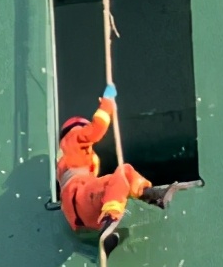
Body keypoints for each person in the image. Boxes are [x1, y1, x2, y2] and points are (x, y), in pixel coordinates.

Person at [56, 83, 182, 251]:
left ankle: (108, 234)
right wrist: (107, 103)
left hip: (79, 218)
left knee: (113, 189)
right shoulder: (72, 138)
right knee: (123, 173)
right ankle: (147, 198)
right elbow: (96, 129)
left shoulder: (64, 163)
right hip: (82, 196)